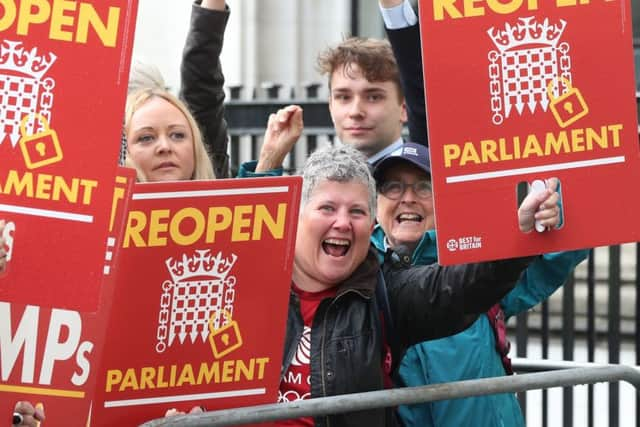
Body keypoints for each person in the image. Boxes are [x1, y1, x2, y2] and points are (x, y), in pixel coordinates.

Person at [371, 140, 589, 427]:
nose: (408, 197)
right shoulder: (357, 274)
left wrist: (555, 207)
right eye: (393, 187)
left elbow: (560, 254)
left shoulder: (482, 263)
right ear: (375, 203)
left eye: (424, 186)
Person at [180, 0, 231, 178]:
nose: (164, 147)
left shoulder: (204, 164)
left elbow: (200, 85)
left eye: (178, 135)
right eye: (146, 138)